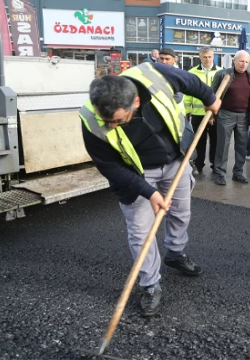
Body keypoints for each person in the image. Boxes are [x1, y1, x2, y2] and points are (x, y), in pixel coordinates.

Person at [79, 62, 221, 317]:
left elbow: (191, 81)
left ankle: (175, 253)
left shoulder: (154, 74)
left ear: (135, 102)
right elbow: (109, 166)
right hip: (135, 174)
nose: (111, 125)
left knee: (180, 212)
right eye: (107, 120)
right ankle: (150, 284)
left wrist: (210, 99)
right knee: (141, 232)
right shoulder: (90, 119)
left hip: (176, 159)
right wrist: (149, 191)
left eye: (118, 120)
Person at [211, 50, 250, 185]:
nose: (244, 64)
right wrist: (212, 115)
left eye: (246, 62)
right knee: (223, 145)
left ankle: (238, 173)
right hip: (226, 114)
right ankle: (219, 173)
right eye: (241, 61)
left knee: (241, 146)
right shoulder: (223, 74)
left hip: (243, 116)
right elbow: (212, 95)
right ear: (234, 61)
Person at [185, 47, 222, 178]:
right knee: (199, 141)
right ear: (200, 57)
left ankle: (214, 164)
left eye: (210, 57)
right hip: (198, 113)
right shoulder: (192, 73)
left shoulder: (220, 72)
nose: (207, 59)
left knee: (215, 140)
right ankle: (198, 164)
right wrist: (186, 111)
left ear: (213, 57)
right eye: (205, 57)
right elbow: (187, 94)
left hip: (216, 113)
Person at [158, 48, 186, 114]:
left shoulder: (179, 75)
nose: (164, 62)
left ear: (174, 60)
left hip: (176, 114)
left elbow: (178, 97)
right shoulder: (154, 72)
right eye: (161, 58)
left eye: (167, 59)